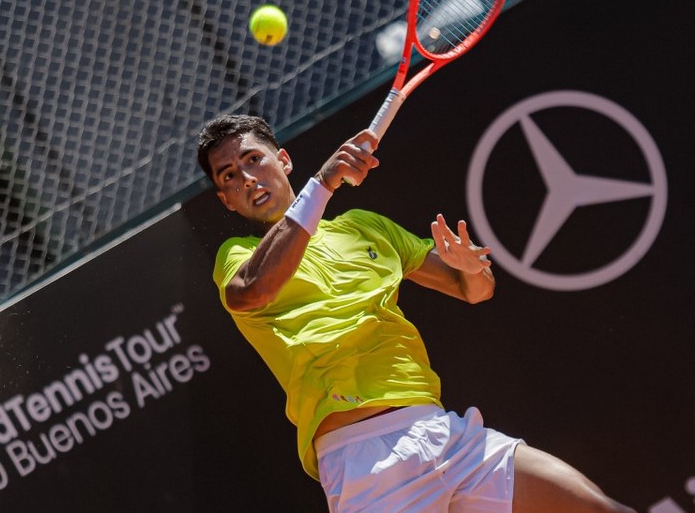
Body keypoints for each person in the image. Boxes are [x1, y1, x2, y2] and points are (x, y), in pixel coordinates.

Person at [196, 114, 633, 512]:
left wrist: (472, 269)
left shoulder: (364, 227)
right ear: (226, 200)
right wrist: (323, 184)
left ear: (283, 160)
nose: (248, 178)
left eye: (254, 159)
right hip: (363, 464)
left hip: (441, 432)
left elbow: (475, 291)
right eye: (230, 176)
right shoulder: (238, 258)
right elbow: (252, 292)